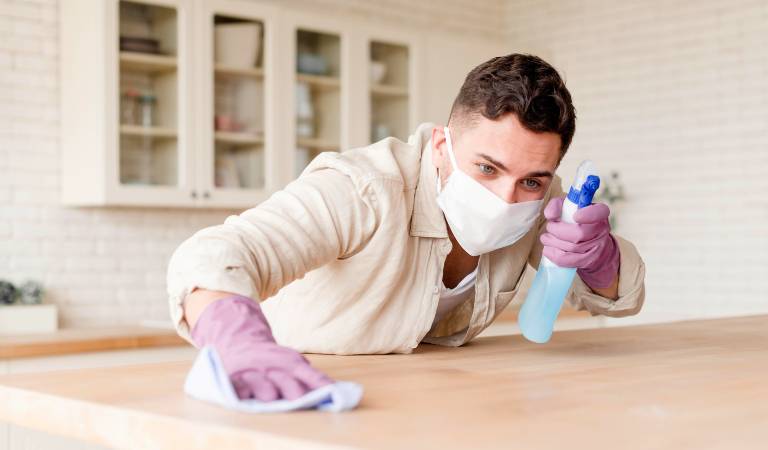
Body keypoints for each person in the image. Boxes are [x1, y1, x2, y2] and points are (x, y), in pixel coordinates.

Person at [166, 53, 646, 402]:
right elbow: (216, 253)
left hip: (428, 403)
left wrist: (600, 256)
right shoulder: (363, 188)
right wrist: (241, 344)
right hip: (298, 396)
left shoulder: (543, 197)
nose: (505, 199)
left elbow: (613, 298)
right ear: (441, 145)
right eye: (486, 169)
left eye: (531, 180)